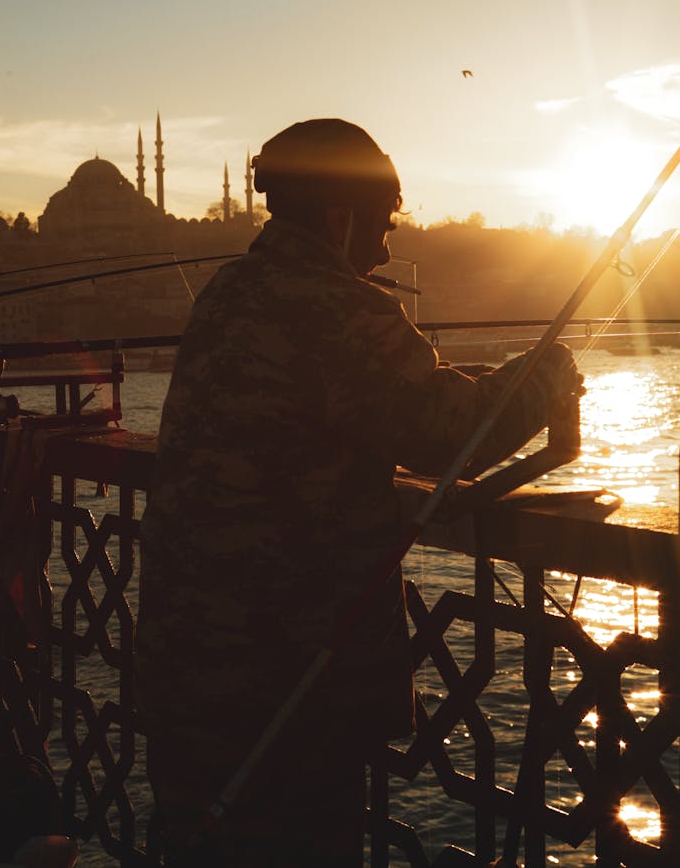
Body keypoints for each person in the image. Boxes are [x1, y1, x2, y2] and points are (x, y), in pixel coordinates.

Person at [135, 118, 582, 867]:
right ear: (341, 217)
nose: (384, 245)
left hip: (181, 666)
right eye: (381, 222)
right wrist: (547, 370)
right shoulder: (336, 308)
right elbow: (453, 431)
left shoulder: (225, 292)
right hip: (282, 686)